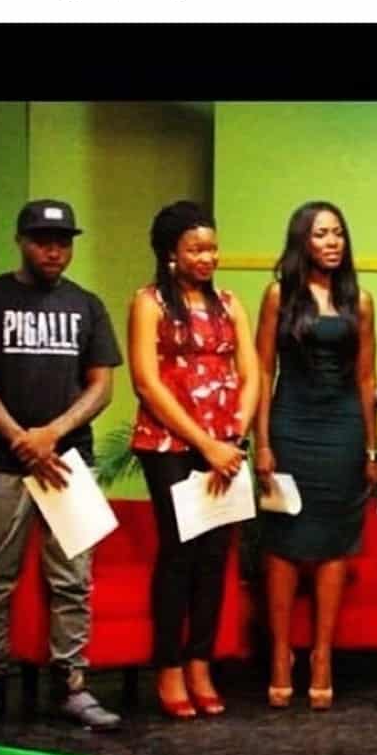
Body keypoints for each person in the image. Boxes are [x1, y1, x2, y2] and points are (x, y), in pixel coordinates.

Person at [0, 199, 123, 731]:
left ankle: (73, 685)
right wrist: (21, 439)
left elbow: (102, 386)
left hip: (70, 466)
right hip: (4, 463)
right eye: (43, 241)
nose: (54, 251)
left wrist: (51, 435)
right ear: (20, 241)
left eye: (63, 242)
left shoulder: (86, 305)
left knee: (73, 580)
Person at [128, 201, 261, 719]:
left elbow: (250, 373)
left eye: (212, 248)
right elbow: (146, 381)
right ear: (171, 253)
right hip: (170, 443)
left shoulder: (230, 304)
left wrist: (234, 436)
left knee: (215, 555)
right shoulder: (149, 303)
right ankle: (168, 665)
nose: (208, 257)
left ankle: (200, 661)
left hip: (226, 444)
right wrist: (206, 444)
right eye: (195, 249)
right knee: (179, 552)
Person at [254, 201, 377, 709]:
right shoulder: (278, 295)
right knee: (284, 541)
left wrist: (371, 447)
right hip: (290, 425)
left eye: (337, 234)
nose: (332, 243)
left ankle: (322, 656)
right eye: (320, 234)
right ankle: (280, 655)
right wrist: (262, 442)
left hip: (343, 429)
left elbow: (367, 378)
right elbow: (263, 371)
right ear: (302, 242)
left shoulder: (361, 301)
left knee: (334, 542)